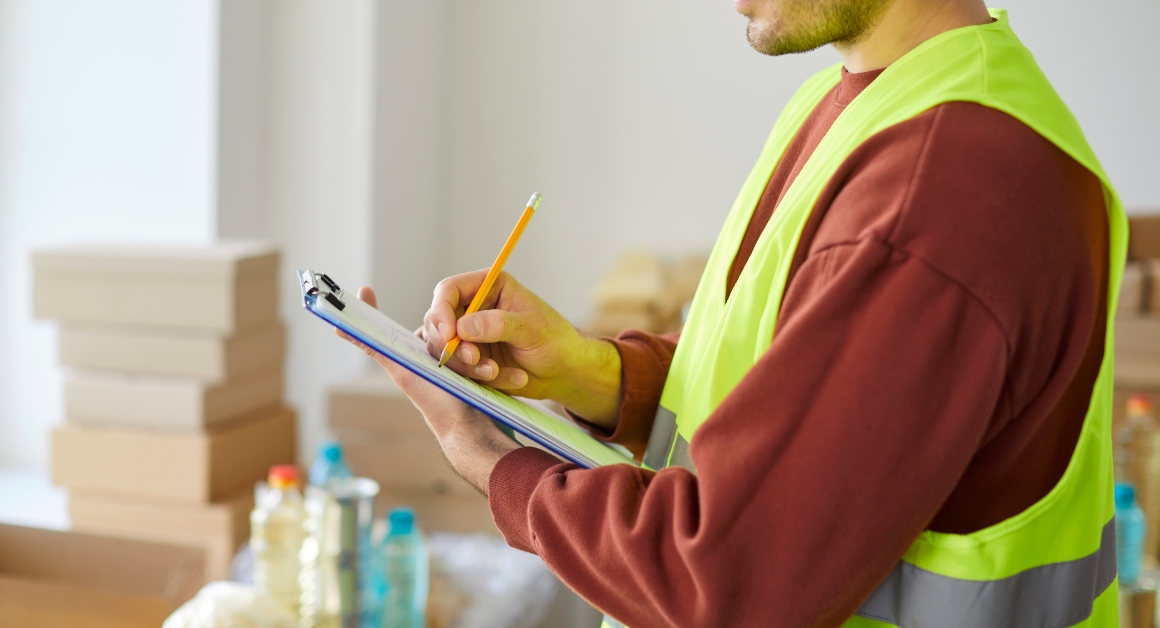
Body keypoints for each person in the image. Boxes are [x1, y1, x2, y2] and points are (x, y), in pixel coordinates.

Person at [342, 0, 1126, 625]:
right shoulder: (858, 101)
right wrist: (592, 372)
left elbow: (726, 581)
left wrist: (485, 453)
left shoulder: (944, 184)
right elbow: (767, 373)